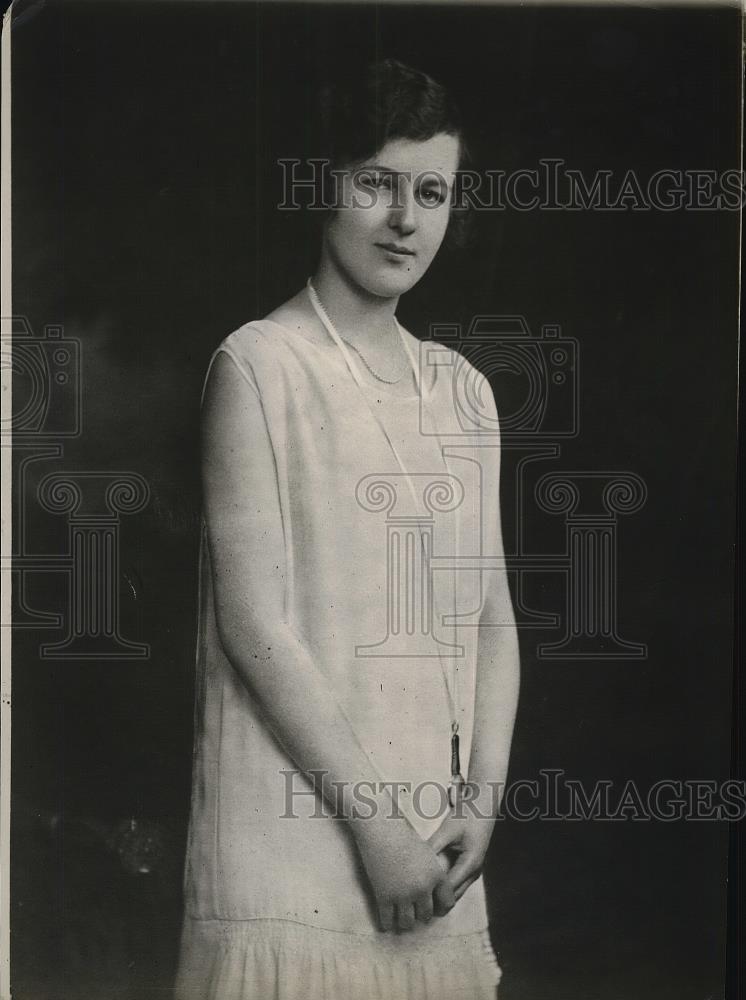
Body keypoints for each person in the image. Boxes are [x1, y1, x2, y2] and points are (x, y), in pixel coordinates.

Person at [175, 58, 520, 1000]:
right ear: (321, 184)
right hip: (294, 840)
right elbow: (254, 625)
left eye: (433, 192)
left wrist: (480, 805)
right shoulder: (257, 366)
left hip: (436, 847)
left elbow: (491, 616)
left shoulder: (465, 392)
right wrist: (376, 831)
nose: (406, 219)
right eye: (376, 183)